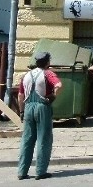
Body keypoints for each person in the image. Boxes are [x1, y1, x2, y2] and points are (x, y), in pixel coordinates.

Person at [17, 51, 62, 180]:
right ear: (48, 62)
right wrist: (53, 96)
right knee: (44, 138)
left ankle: (22, 171)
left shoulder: (26, 75)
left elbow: (20, 95)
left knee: (27, 139)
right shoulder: (48, 73)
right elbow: (59, 85)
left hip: (28, 108)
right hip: (42, 107)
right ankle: (41, 171)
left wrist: (21, 111)